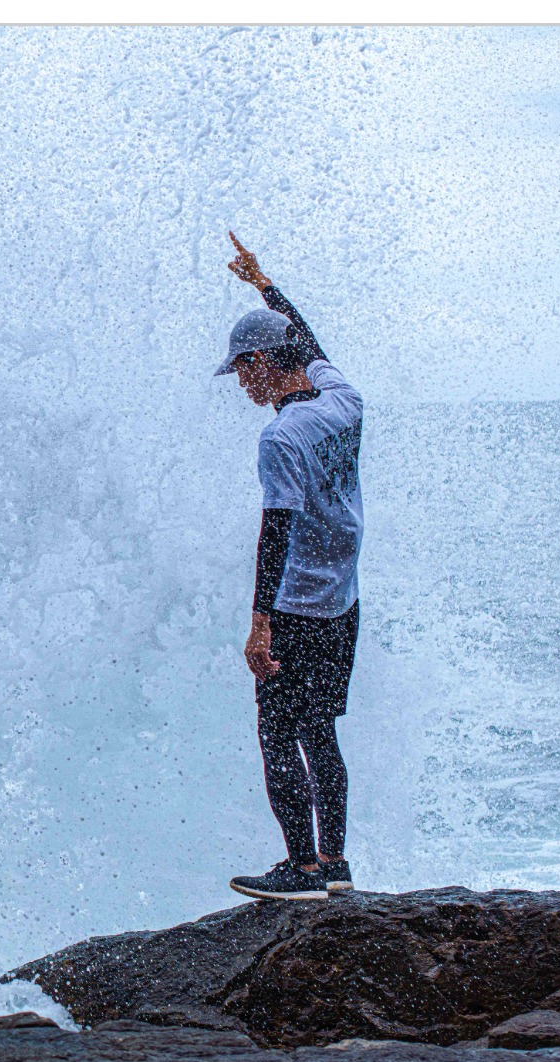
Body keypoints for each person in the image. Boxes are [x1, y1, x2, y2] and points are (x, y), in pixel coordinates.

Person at [215, 233, 364, 901]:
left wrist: (259, 624)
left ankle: (300, 869)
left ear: (258, 363)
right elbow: (308, 342)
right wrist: (264, 285)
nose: (241, 384)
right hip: (343, 603)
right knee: (320, 732)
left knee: (278, 731)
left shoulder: (280, 437)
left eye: (241, 370)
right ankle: (334, 864)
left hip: (298, 607)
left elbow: (275, 531)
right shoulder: (343, 398)